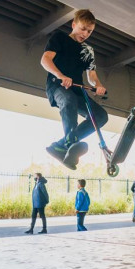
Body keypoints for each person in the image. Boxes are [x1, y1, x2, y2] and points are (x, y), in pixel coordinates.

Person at [40, 9, 108, 169]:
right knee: (68, 100)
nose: (85, 34)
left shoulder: (88, 51)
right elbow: (45, 60)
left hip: (77, 91)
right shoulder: (59, 38)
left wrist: (98, 85)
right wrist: (61, 75)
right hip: (57, 86)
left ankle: (60, 147)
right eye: (83, 29)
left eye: (89, 31)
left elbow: (92, 75)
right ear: (74, 24)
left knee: (100, 116)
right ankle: (71, 143)